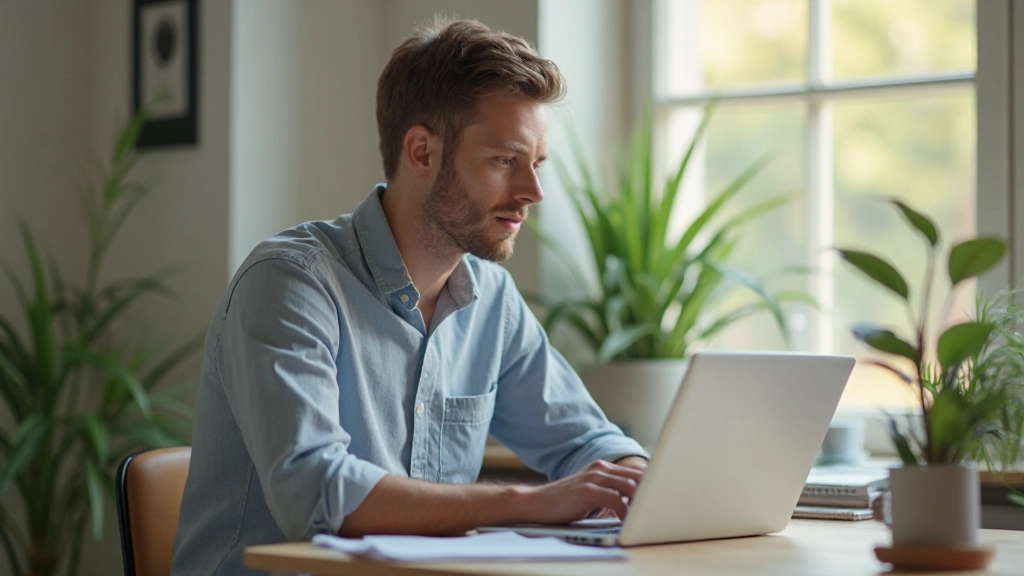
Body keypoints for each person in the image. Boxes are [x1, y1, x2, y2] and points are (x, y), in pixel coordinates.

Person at [170, 17, 648, 575]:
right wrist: (530, 502)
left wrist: (639, 479)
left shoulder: (491, 299)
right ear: (422, 152)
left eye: (537, 165)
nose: (532, 193)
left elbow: (586, 440)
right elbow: (316, 493)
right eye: (504, 161)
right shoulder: (290, 283)